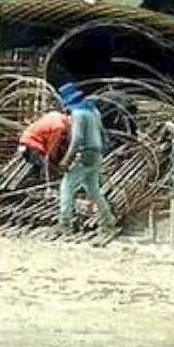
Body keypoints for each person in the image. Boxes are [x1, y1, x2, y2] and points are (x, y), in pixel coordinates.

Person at [55, 83, 117, 234]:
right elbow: (102, 133)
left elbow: (77, 140)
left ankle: (65, 223)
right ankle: (108, 220)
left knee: (67, 186)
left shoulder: (78, 114)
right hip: (97, 153)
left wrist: (66, 161)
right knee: (93, 189)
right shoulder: (93, 111)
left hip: (86, 154)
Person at [17, 109, 70, 180]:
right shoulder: (59, 127)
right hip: (34, 145)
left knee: (37, 167)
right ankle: (45, 185)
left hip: (25, 141)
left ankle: (34, 183)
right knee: (47, 169)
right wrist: (54, 161)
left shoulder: (53, 115)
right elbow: (53, 147)